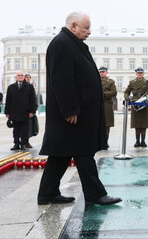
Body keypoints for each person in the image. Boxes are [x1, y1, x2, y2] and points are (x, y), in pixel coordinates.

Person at [37, 12, 121, 206]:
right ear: (73, 26)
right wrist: (70, 109)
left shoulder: (70, 43)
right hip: (72, 115)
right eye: (86, 28)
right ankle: (95, 194)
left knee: (61, 154)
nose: (89, 32)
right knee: (83, 153)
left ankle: (47, 193)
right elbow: (62, 81)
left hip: (75, 113)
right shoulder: (62, 44)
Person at [5, 71, 37, 151]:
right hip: (14, 112)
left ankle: (23, 144)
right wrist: (7, 112)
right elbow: (8, 100)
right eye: (18, 75)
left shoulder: (29, 87)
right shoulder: (11, 87)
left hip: (25, 112)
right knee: (15, 130)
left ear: (23, 77)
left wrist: (32, 111)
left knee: (24, 130)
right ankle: (16, 144)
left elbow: (33, 100)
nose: (20, 77)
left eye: (21, 75)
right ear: (16, 77)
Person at [124, 67, 148, 147]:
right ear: (136, 74)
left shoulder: (147, 83)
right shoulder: (132, 82)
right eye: (138, 73)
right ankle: (137, 141)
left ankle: (143, 141)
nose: (140, 74)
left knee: (144, 124)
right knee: (136, 124)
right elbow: (127, 92)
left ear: (143, 74)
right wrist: (127, 99)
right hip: (135, 104)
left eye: (141, 73)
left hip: (144, 104)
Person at [99, 66, 117, 147]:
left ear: (106, 72)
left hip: (107, 104)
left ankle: (105, 142)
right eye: (100, 72)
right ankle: (99, 142)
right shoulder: (96, 81)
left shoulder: (110, 82)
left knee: (107, 124)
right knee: (98, 124)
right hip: (98, 104)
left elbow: (114, 92)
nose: (101, 73)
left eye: (103, 72)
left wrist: (104, 94)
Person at [24, 73, 37, 148]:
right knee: (20, 128)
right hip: (22, 110)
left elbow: (34, 99)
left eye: (29, 77)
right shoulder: (22, 86)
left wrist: (33, 110)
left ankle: (26, 142)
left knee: (28, 128)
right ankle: (20, 142)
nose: (28, 79)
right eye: (27, 77)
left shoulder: (31, 86)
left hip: (28, 111)